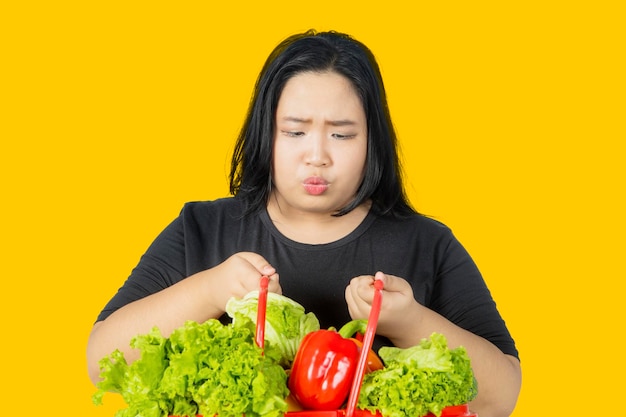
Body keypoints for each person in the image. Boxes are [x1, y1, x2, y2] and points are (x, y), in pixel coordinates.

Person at [86, 30, 521, 417]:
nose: (317, 156)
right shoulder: (200, 229)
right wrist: (210, 289)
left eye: (342, 134)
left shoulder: (427, 244)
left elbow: (502, 396)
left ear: (374, 140)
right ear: (265, 134)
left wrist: (410, 322)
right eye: (294, 132)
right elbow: (101, 359)